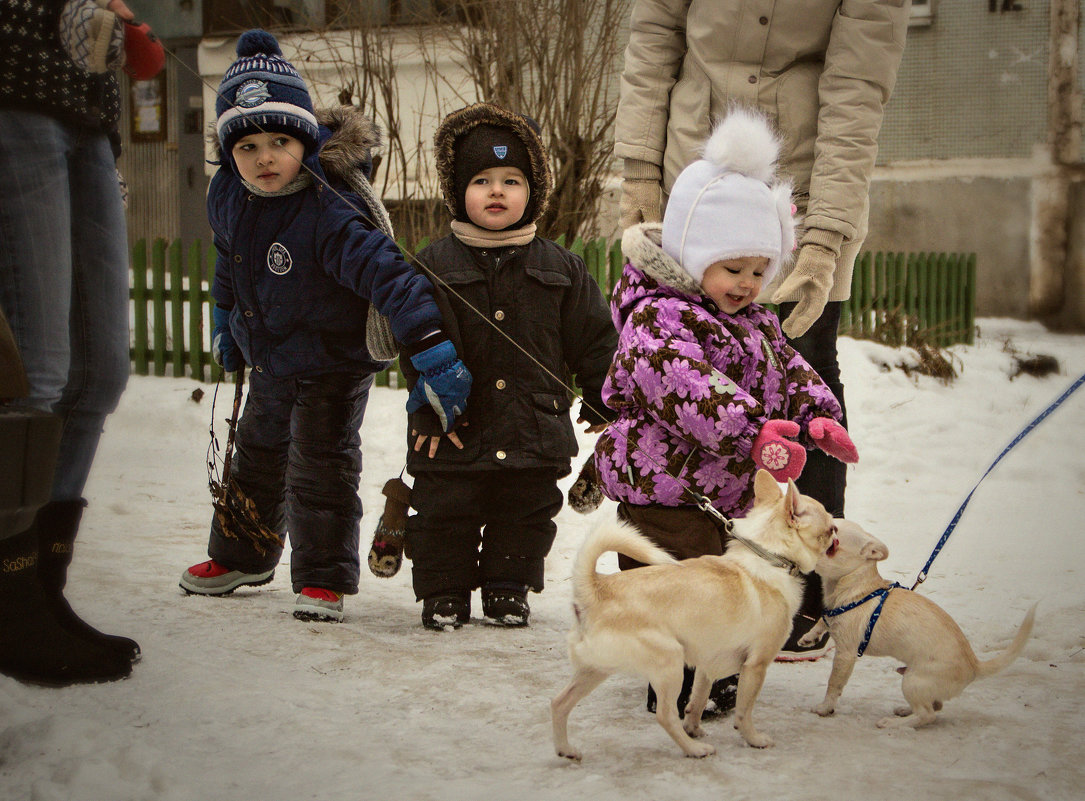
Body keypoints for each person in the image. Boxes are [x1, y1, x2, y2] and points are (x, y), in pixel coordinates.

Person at [613, 0, 910, 658]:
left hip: (798, 187)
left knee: (793, 363)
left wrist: (825, 236)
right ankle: (676, 593)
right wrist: (637, 168)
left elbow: (857, 85)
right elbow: (652, 37)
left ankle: (795, 590)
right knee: (676, 373)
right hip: (686, 175)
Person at [178, 30, 471, 624]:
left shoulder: (327, 208)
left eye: (280, 141)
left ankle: (322, 578)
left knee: (320, 462)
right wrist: (222, 318)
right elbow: (228, 259)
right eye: (248, 145)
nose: (264, 158)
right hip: (272, 356)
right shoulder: (228, 197)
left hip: (335, 361)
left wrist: (433, 349)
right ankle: (243, 554)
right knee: (254, 456)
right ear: (228, 153)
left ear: (305, 142)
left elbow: (392, 275)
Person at [573, 107, 858, 715]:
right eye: (733, 268)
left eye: (760, 270)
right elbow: (689, 387)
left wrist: (817, 415)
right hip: (664, 492)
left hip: (719, 489)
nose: (748, 283)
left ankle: (711, 671)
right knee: (674, 590)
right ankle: (668, 682)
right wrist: (754, 434)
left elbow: (789, 368)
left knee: (714, 592)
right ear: (691, 252)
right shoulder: (658, 317)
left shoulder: (750, 319)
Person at [402, 103, 617, 630]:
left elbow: (594, 340)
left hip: (533, 428)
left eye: (511, 180)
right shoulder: (432, 265)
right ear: (458, 192)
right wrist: (426, 407)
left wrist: (602, 396)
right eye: (481, 180)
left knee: (524, 513)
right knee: (443, 511)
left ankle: (507, 587)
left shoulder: (561, 267)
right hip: (454, 427)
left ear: (533, 191)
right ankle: (445, 590)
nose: (496, 191)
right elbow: (414, 346)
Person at [0, 0, 161, 685]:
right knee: (34, 373)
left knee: (98, 372)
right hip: (11, 90)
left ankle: (42, 586)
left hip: (89, 111)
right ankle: (9, 599)